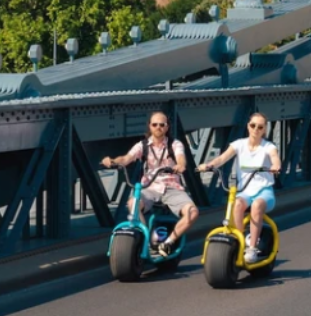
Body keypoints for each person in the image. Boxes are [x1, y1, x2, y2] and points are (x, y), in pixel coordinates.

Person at [102, 112, 198, 257]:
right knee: (133, 204)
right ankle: (145, 240)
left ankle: (168, 243)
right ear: (149, 126)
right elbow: (127, 158)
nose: (158, 127)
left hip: (171, 187)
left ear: (167, 127)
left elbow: (181, 159)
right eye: (155, 124)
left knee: (192, 213)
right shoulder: (143, 145)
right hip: (149, 187)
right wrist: (113, 161)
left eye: (162, 125)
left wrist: (180, 166)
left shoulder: (175, 144)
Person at [200, 113, 282, 264]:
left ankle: (251, 248)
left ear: (264, 130)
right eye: (253, 125)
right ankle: (240, 241)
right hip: (245, 191)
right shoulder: (239, 144)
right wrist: (209, 165)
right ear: (248, 126)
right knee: (237, 204)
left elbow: (274, 157)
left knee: (257, 206)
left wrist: (276, 166)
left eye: (260, 127)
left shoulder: (268, 147)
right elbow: (222, 158)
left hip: (264, 192)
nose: (256, 129)